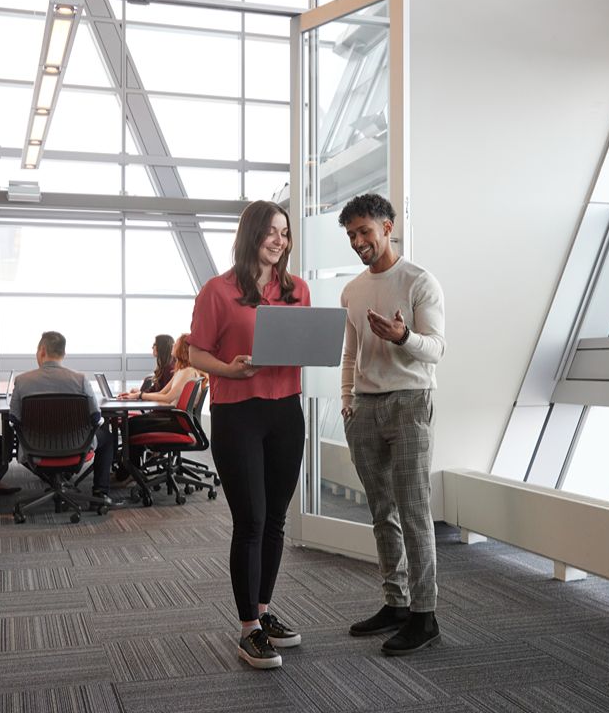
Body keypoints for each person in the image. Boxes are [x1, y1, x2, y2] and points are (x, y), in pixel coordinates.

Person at [187, 200, 309, 670]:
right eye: (271, 232)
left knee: (276, 518)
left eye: (285, 232)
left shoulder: (298, 290)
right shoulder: (218, 291)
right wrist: (230, 371)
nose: (279, 240)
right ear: (251, 235)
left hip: (287, 411)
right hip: (238, 412)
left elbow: (304, 344)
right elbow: (197, 353)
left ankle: (262, 612)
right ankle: (247, 631)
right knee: (252, 520)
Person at [338, 193, 446, 656]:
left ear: (388, 226)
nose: (359, 241)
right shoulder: (353, 290)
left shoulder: (420, 281)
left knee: (414, 512)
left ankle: (425, 615)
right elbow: (349, 352)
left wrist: (404, 336)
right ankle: (395, 603)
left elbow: (437, 348)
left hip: (409, 402)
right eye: (351, 235)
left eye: (365, 231)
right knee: (382, 512)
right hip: (365, 406)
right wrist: (347, 399)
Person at [10, 331, 115, 501]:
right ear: (63, 354)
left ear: (42, 350)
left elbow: (14, 418)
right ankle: (100, 494)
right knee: (108, 439)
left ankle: (54, 481)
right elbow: (95, 417)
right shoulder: (80, 380)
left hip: (35, 447)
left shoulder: (22, 380)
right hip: (76, 445)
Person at [120, 334, 203, 405]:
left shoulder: (188, 372)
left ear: (183, 349)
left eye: (176, 344)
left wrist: (139, 395)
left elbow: (168, 398)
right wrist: (138, 394)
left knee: (130, 422)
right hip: (171, 414)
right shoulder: (181, 371)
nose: (173, 345)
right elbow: (161, 393)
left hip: (173, 417)